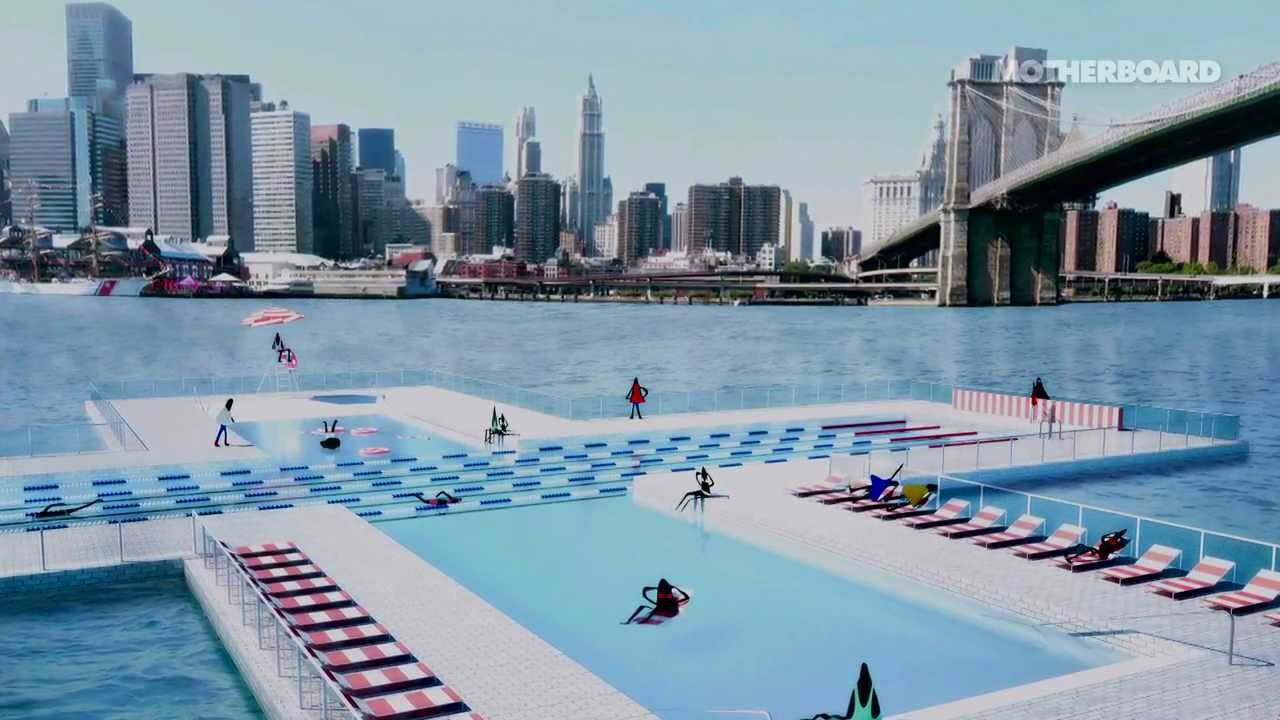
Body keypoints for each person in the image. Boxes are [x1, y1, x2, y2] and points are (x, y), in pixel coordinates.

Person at [621, 578, 690, 625]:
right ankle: (629, 621)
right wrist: (656, 588)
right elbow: (644, 590)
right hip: (662, 607)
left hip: (670, 610)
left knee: (658, 607)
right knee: (645, 607)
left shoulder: (672, 600)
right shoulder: (663, 595)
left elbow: (687, 597)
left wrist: (675, 588)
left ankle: (644, 620)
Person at [1065, 529, 1130, 564]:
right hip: (1102, 551)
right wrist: (1112, 535)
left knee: (1091, 548)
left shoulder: (1114, 545)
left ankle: (1072, 558)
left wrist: (1112, 535)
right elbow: (1103, 537)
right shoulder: (1113, 543)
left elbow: (1103, 537)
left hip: (1103, 556)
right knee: (1090, 548)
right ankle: (1072, 557)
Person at [33, 498, 102, 519]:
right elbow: (50, 506)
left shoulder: (42, 514)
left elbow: (50, 506)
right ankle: (96, 501)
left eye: (37, 515)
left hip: (64, 513)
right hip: (64, 515)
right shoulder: (42, 517)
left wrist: (59, 504)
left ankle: (96, 501)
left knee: (82, 508)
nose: (38, 515)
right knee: (82, 510)